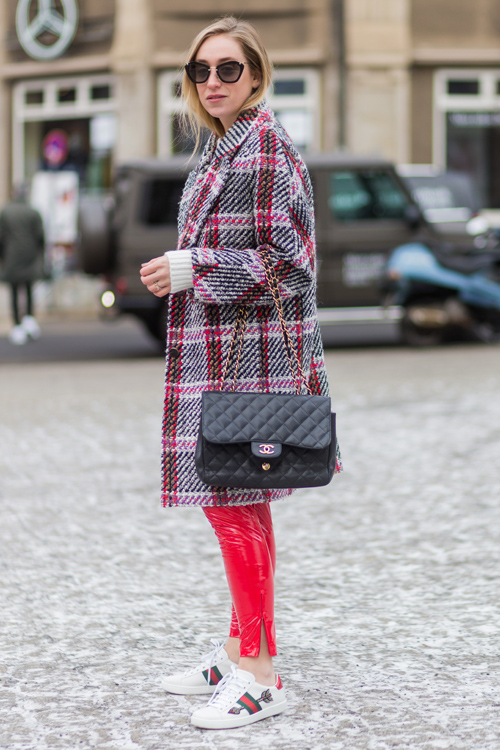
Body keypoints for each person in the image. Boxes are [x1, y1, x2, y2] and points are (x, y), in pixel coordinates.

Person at [139, 16, 341, 730]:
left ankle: (260, 672)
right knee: (239, 502)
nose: (214, 82)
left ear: (256, 74)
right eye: (201, 71)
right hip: (224, 352)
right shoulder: (226, 145)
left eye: (228, 69)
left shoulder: (260, 146)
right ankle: (240, 649)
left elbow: (294, 264)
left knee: (230, 505)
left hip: (245, 356)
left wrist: (196, 268)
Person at [0, 185, 44, 345]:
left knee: (14, 292)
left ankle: (17, 324)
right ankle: (29, 319)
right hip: (29, 256)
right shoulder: (33, 212)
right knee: (28, 289)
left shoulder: (6, 212)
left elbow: (1, 237)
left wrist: (2, 258)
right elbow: (41, 237)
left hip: (11, 257)